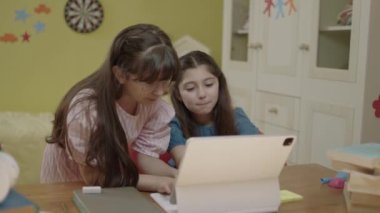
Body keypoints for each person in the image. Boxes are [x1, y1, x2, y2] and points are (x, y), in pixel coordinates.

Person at [40, 24, 179, 193]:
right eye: (149, 82)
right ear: (120, 74)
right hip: (68, 180)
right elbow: (94, 177)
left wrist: (175, 175)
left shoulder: (152, 104)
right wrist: (155, 182)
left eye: (166, 80)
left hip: (112, 181)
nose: (160, 91)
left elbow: (146, 158)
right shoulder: (87, 110)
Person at [168, 51, 261, 167]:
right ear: (178, 94)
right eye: (190, 88)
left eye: (208, 84)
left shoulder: (236, 115)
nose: (202, 94)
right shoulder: (173, 123)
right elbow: (185, 164)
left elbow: (257, 151)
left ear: (219, 85)